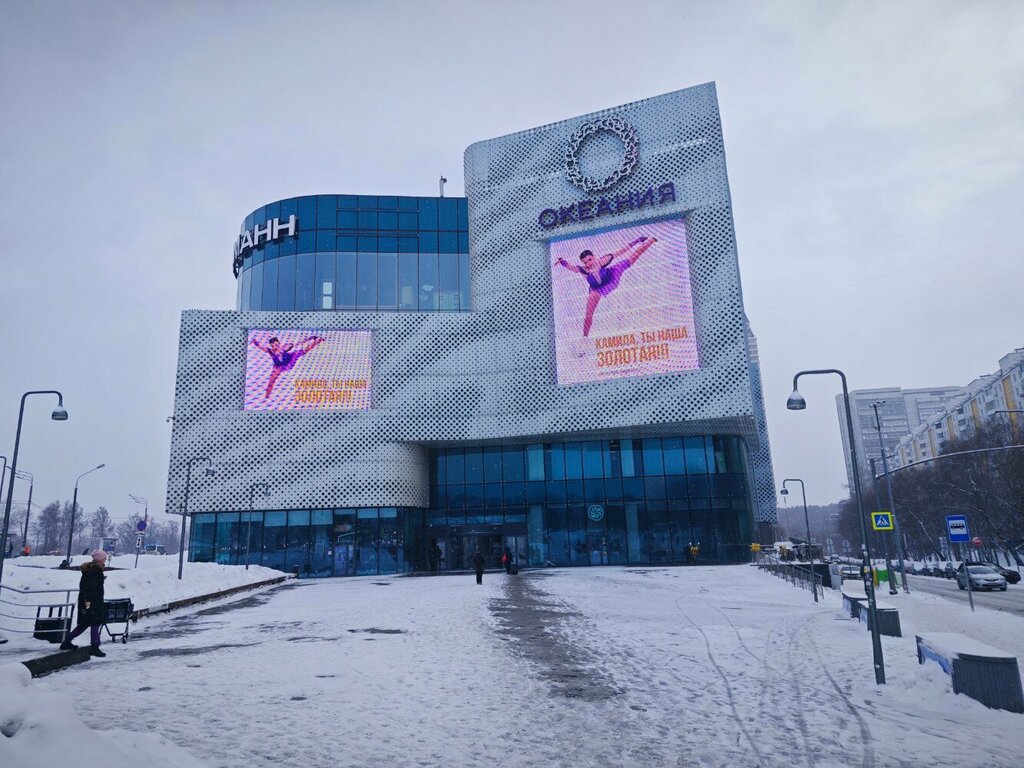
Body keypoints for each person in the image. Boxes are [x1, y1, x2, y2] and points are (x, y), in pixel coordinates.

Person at [554, 235, 659, 340]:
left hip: (611, 278)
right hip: (596, 289)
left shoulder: (602, 261)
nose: (588, 263)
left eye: (590, 259)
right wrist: (563, 262)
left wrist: (637, 240)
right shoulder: (583, 270)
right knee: (588, 313)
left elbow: (622, 251)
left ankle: (650, 241)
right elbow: (572, 268)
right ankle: (585, 338)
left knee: (631, 259)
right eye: (585, 262)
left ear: (594, 257)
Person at [60, 550, 108, 657]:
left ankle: (67, 641)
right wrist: (88, 602)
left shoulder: (91, 570)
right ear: (100, 559)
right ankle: (95, 647)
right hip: (91, 603)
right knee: (94, 623)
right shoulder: (95, 572)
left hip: (89, 602)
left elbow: (89, 586)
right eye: (104, 558)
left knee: (84, 623)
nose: (105, 559)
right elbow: (90, 588)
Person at [251, 334, 325, 399]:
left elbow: (299, 343)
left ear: (279, 343)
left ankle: (318, 341)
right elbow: (261, 347)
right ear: (271, 346)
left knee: (303, 351)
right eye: (273, 346)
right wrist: (255, 341)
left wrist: (310, 338)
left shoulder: (285, 347)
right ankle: (266, 396)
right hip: (278, 366)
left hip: (289, 360)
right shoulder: (270, 351)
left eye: (277, 345)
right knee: (271, 380)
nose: (275, 347)